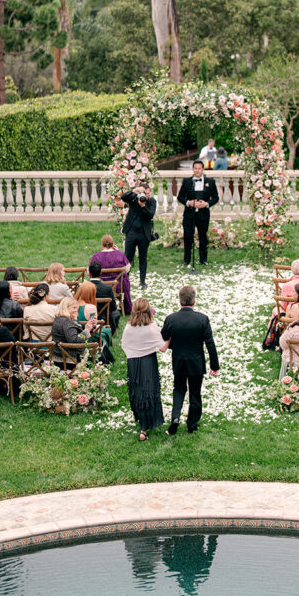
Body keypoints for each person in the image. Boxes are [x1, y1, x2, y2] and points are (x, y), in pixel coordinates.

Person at [160, 285, 219, 435]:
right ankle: (192, 424)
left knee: (178, 389)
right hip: (196, 361)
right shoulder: (202, 319)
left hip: (179, 360)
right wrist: (214, 365)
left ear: (180, 301)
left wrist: (175, 343)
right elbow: (209, 343)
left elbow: (164, 337)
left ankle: (175, 417)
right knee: (195, 392)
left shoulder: (171, 319)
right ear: (194, 301)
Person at [122, 297, 166, 440]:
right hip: (148, 361)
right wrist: (169, 338)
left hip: (133, 361)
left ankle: (142, 422)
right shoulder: (151, 327)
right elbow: (162, 348)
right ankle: (146, 426)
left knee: (138, 391)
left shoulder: (129, 327)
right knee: (148, 392)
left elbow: (124, 345)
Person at [177, 160, 219, 272]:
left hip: (203, 214)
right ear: (193, 169)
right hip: (189, 214)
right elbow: (180, 197)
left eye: (199, 168)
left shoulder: (210, 182)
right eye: (195, 168)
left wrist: (206, 204)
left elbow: (216, 198)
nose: (197, 170)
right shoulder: (187, 182)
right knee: (188, 236)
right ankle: (187, 259)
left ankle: (203, 259)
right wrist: (188, 202)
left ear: (203, 169)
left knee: (203, 236)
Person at [121, 182, 157, 291]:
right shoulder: (133, 198)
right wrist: (134, 191)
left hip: (143, 233)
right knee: (128, 257)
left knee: (143, 258)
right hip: (131, 231)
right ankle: (125, 280)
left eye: (147, 194)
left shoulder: (151, 201)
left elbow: (150, 215)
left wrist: (143, 206)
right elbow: (123, 197)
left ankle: (142, 281)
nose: (145, 196)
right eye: (143, 193)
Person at [89, 235, 132, 314]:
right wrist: (118, 251)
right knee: (124, 276)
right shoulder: (119, 254)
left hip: (101, 286)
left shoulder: (96, 256)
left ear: (102, 245)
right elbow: (127, 268)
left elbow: (89, 272)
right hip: (118, 287)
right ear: (113, 244)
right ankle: (125, 306)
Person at [74, 281, 114, 362]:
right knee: (106, 331)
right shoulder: (90, 307)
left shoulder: (73, 305)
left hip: (74, 335)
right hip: (88, 337)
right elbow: (94, 326)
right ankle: (107, 357)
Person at [50, 297, 96, 364]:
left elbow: (79, 329)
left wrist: (90, 328)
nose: (76, 310)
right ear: (66, 308)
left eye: (76, 308)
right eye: (74, 308)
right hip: (69, 359)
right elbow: (74, 340)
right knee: (99, 355)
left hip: (59, 356)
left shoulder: (60, 319)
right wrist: (87, 330)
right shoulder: (67, 321)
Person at [87, 260, 121, 334]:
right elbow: (113, 307)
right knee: (117, 313)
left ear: (89, 273)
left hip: (88, 318)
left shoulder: (84, 287)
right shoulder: (107, 288)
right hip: (104, 319)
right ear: (100, 273)